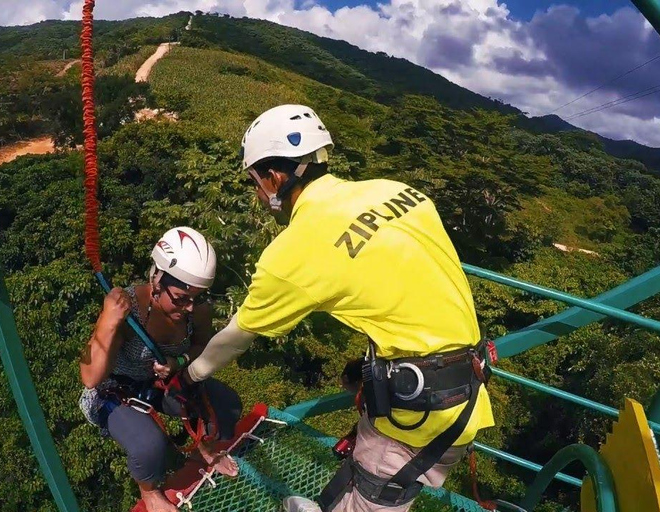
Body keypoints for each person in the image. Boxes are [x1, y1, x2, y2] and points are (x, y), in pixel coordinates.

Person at [165, 104, 495, 512]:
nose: (256, 191)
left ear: (273, 178)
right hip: (469, 385)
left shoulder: (291, 253)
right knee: (364, 474)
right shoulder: (397, 191)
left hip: (421, 417)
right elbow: (413, 284)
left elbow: (236, 337)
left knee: (376, 495)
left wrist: (189, 377)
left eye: (254, 181)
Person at [79, 227, 242, 512]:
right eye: (181, 298)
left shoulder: (197, 310)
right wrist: (108, 321)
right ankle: (150, 493)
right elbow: (91, 377)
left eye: (197, 297)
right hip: (117, 391)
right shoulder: (129, 312)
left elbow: (203, 346)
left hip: (165, 385)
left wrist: (177, 363)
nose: (190, 307)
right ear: (156, 279)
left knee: (227, 405)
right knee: (148, 446)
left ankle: (205, 449)